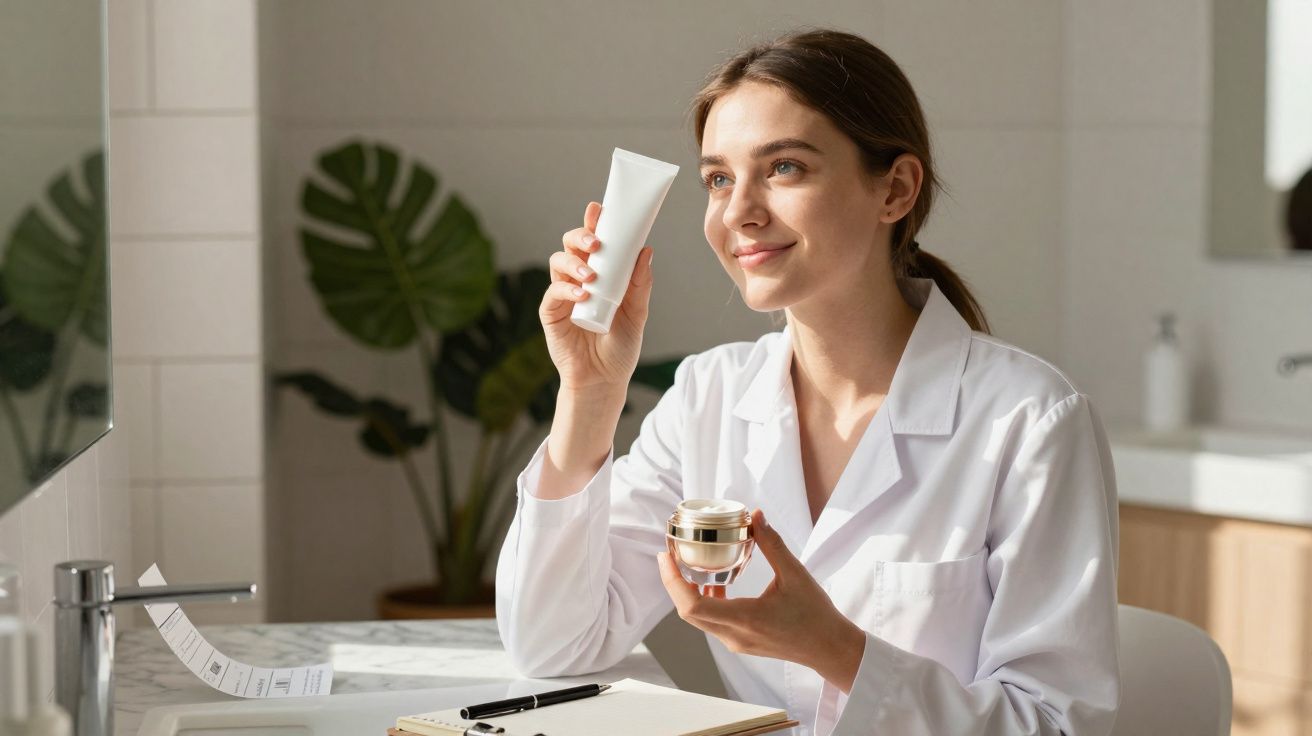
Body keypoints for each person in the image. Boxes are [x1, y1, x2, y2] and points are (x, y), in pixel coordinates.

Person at [496, 27, 1120, 736]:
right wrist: (589, 394)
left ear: (895, 189)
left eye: (785, 167)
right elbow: (553, 645)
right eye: (718, 179)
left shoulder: (1030, 420)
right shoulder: (709, 396)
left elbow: (1056, 725)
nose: (739, 212)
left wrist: (834, 648)